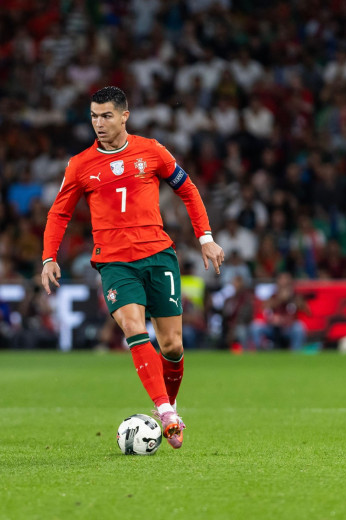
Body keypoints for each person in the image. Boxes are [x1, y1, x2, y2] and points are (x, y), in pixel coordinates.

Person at [41, 86, 224, 449]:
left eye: (106, 115)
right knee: (133, 326)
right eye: (93, 116)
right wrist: (49, 256)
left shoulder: (152, 151)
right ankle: (166, 413)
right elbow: (60, 211)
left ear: (125, 116)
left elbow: (187, 189)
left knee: (172, 345)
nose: (99, 123)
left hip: (158, 255)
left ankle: (169, 403)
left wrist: (205, 237)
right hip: (113, 261)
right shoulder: (80, 165)